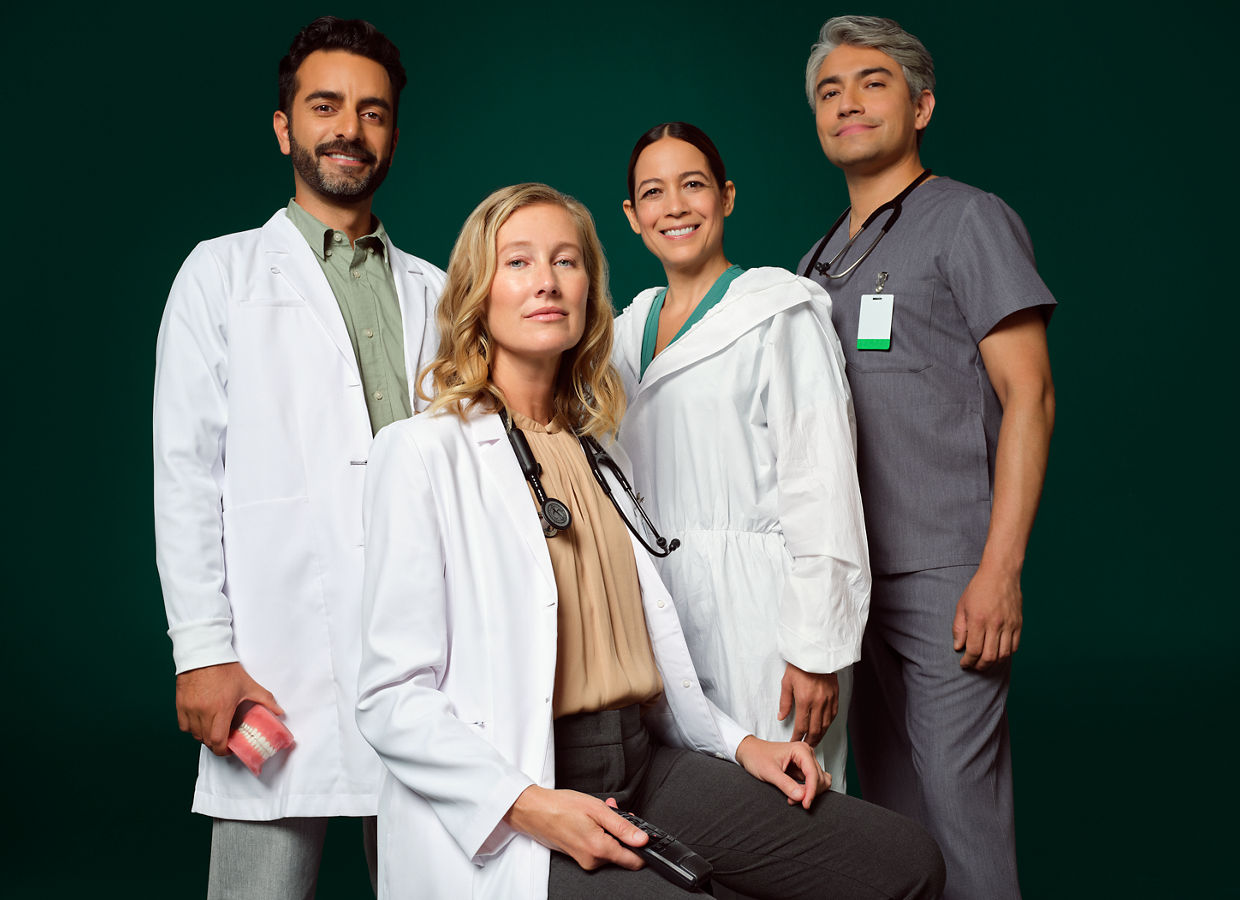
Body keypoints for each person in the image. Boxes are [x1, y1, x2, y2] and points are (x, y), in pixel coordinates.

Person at [356, 182, 944, 900]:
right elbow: (390, 698)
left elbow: (639, 648)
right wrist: (529, 805)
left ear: (588, 290)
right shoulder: (421, 453)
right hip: (527, 787)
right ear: (477, 294)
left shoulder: (603, 450)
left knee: (905, 862)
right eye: (518, 262)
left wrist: (740, 744)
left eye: (566, 261)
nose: (546, 280)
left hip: (642, 762)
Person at [152, 16, 445, 897]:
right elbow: (184, 472)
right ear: (285, 127)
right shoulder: (221, 275)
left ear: (393, 134)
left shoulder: (437, 288)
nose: (349, 129)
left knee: (435, 879)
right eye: (325, 106)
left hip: (427, 647)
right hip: (280, 656)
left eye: (373, 111)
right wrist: (201, 651)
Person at [798, 16, 1056, 900]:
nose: (847, 103)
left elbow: (1032, 397)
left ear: (923, 104)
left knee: (960, 815)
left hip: (950, 572)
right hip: (854, 581)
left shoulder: (969, 221)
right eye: (829, 91)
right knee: (897, 831)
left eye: (872, 82)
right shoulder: (820, 257)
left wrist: (1000, 570)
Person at [610, 122, 869, 788]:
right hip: (658, 617)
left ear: (725, 197)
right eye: (653, 192)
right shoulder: (621, 332)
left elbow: (825, 485)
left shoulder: (779, 312)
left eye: (692, 185)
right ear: (632, 216)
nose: (675, 206)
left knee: (791, 817)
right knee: (691, 826)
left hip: (765, 620)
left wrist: (817, 652)